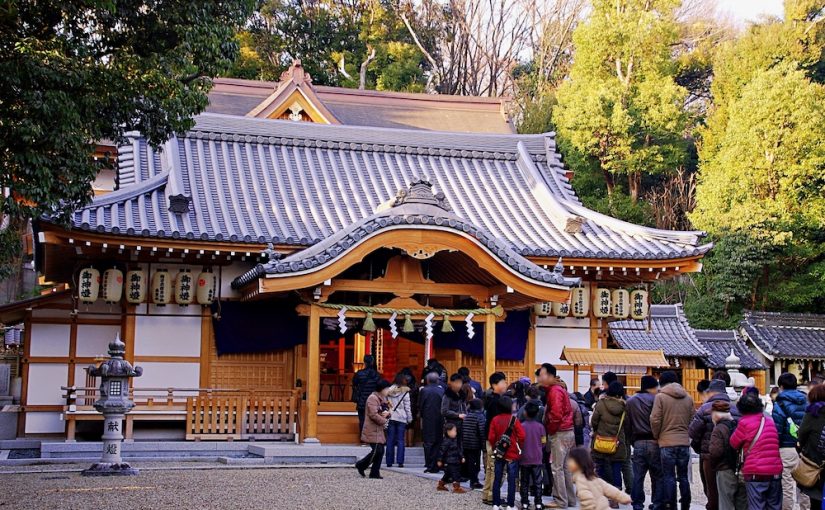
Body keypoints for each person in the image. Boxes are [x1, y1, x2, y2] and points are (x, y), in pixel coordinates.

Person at [689, 378, 739, 510]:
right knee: (729, 493)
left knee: (712, 492)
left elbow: (693, 432)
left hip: (709, 456)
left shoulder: (704, 409)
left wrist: (699, 448)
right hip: (732, 456)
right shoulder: (735, 409)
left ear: (710, 392)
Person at [730, 390, 783, 510]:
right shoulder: (769, 421)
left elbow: (733, 443)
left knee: (756, 506)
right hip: (775, 470)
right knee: (774, 506)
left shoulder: (744, 423)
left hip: (755, 471)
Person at [650, 370, 694, 510]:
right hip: (684, 442)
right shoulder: (688, 397)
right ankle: (686, 504)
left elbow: (655, 419)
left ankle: (671, 505)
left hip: (666, 442)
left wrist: (657, 435)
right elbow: (693, 418)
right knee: (683, 476)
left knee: (669, 476)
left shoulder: (661, 397)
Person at [536, 363, 576, 509]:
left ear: (551, 376)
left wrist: (551, 430)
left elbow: (556, 415)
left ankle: (560, 501)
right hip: (567, 431)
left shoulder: (555, 391)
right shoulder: (559, 389)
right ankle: (569, 499)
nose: (540, 377)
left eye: (542, 374)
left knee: (557, 468)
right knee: (564, 468)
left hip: (560, 432)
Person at [771, 373, 809, 510]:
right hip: (805, 448)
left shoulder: (779, 403)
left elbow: (777, 430)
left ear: (781, 386)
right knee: (805, 483)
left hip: (786, 448)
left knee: (786, 485)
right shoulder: (807, 401)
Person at [627, 375, 663, 510]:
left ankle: (637, 504)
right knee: (657, 476)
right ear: (652, 387)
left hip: (638, 442)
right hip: (654, 441)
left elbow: (627, 424)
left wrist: (632, 440)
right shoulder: (656, 400)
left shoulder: (631, 401)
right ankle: (657, 503)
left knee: (638, 476)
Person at [591, 381, 628, 509]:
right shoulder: (625, 407)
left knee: (600, 468)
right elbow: (627, 424)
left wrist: (598, 431)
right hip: (617, 443)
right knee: (616, 470)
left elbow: (594, 422)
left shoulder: (601, 404)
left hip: (601, 441)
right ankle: (615, 499)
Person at [708, 400, 747, 510]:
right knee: (741, 502)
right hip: (741, 468)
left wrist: (714, 465)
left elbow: (715, 452)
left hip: (724, 469)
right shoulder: (737, 424)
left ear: (715, 414)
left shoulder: (718, 429)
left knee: (726, 503)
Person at [488, 395, 525, 510]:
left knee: (497, 478)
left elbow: (491, 437)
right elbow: (522, 436)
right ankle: (510, 504)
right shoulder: (514, 420)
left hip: (500, 453)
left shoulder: (495, 419)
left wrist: (497, 446)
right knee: (512, 480)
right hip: (512, 453)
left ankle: (496, 503)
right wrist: (520, 446)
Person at [355, 379, 391, 479]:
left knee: (380, 451)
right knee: (377, 450)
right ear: (382, 389)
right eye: (387, 388)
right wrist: (384, 420)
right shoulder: (373, 398)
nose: (388, 390)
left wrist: (388, 414)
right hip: (372, 429)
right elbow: (373, 414)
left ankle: (374, 472)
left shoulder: (383, 398)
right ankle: (361, 465)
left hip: (378, 429)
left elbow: (386, 410)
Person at [483, 371, 509, 506]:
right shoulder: (496, 401)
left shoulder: (490, 399)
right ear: (494, 384)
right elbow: (497, 424)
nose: (505, 384)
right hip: (495, 439)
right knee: (496, 468)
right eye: (503, 382)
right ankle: (493, 496)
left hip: (490, 438)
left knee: (490, 467)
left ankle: (487, 493)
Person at [798, 384, 825, 510]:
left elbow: (802, 434)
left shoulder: (813, 412)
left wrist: (803, 448)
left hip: (816, 463)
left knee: (816, 501)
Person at [520, 401, 546, 510]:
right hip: (537, 457)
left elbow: (519, 441)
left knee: (524, 481)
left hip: (524, 457)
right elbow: (544, 442)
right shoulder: (540, 427)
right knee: (538, 481)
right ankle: (538, 503)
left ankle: (525, 502)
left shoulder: (522, 426)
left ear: (525, 413)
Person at [419, 372, 445, 473]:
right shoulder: (441, 390)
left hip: (428, 418)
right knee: (438, 442)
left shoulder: (424, 390)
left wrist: (422, 415)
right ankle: (436, 464)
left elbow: (421, 405)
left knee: (428, 442)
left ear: (427, 380)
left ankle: (429, 464)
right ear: (437, 380)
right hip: (440, 419)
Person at [385, 373, 413, 468]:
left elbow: (386, 404)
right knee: (401, 440)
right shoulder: (405, 392)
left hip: (391, 415)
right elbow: (407, 407)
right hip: (401, 417)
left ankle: (389, 461)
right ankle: (400, 462)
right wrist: (409, 418)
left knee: (390, 440)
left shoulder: (388, 391)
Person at [352, 354, 381, 435]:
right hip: (373, 400)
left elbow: (354, 383)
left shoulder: (359, 373)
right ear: (373, 362)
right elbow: (379, 387)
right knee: (372, 419)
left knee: (362, 419)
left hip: (362, 399)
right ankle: (371, 437)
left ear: (364, 362)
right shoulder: (376, 375)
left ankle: (363, 438)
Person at [462, 398, 486, 490]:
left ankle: (472, 480)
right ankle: (474, 481)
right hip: (475, 444)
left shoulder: (467, 416)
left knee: (470, 462)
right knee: (475, 463)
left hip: (466, 442)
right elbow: (482, 431)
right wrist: (484, 445)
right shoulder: (480, 416)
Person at [437, 422, 467, 493]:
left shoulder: (455, 440)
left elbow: (459, 450)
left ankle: (441, 484)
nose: (455, 432)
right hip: (449, 461)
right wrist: (439, 460)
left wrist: (462, 457)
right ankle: (457, 487)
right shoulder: (446, 441)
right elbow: (442, 451)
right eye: (454, 431)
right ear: (448, 432)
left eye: (455, 431)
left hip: (455, 460)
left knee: (447, 474)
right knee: (455, 475)